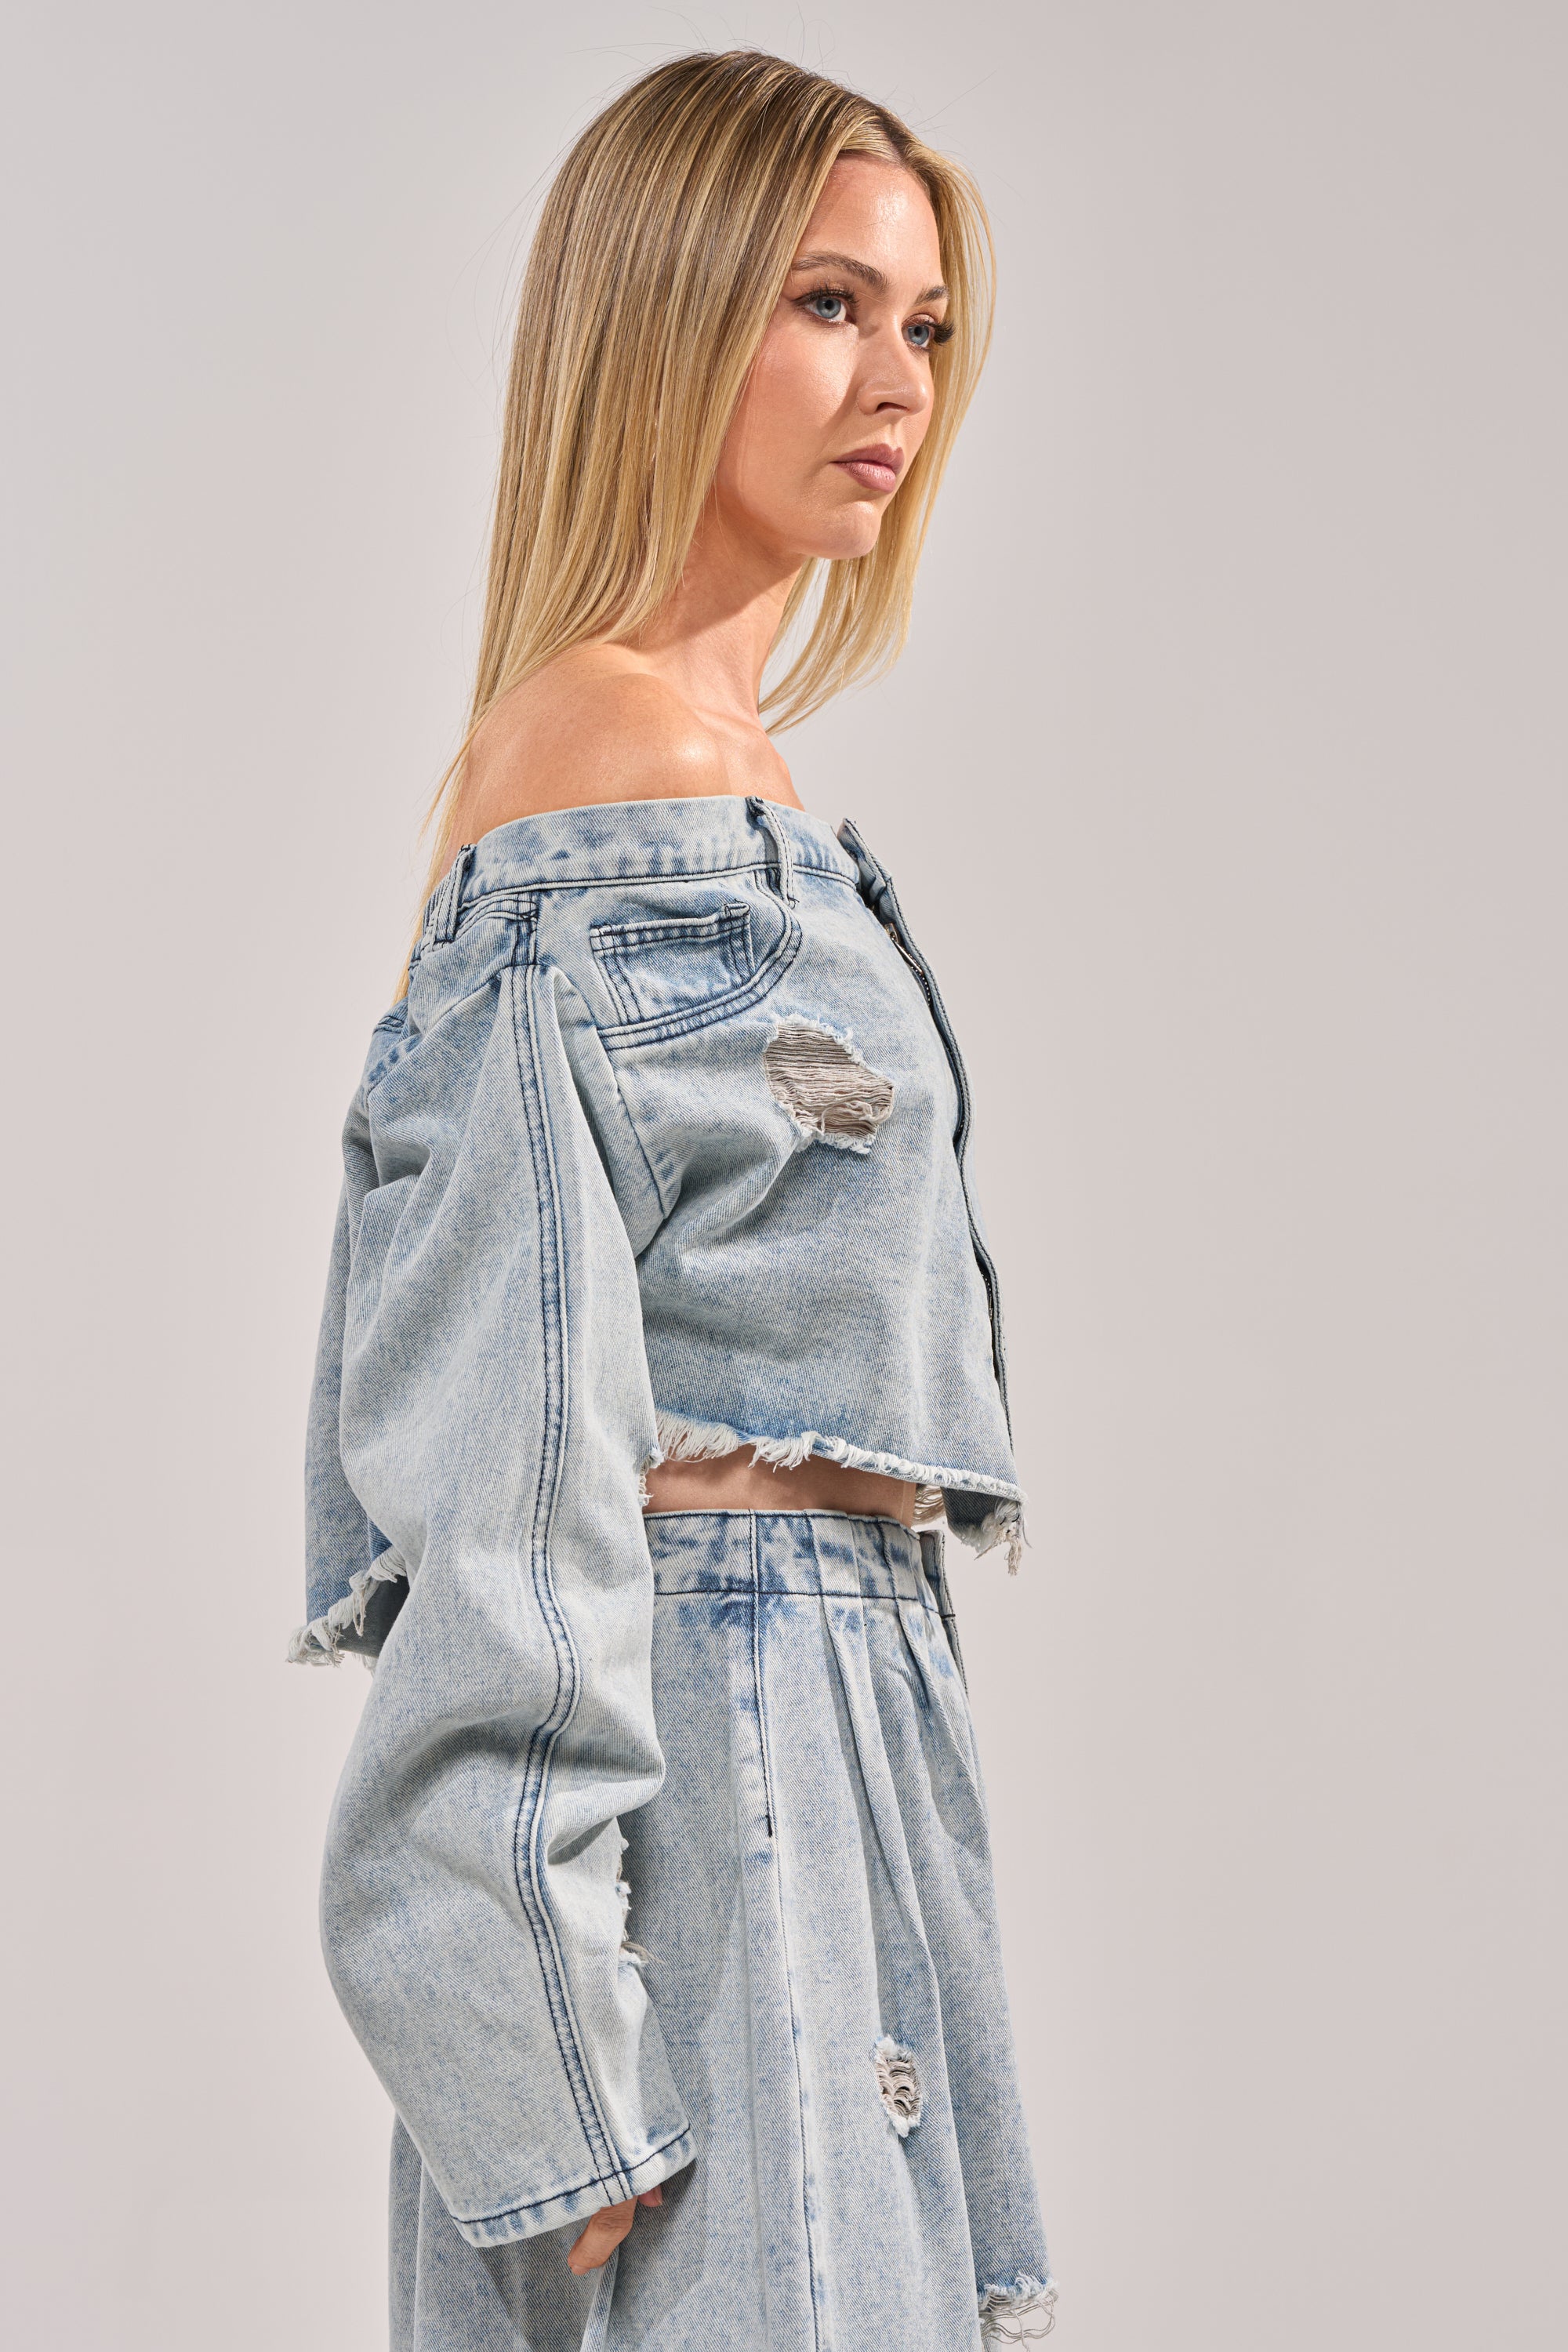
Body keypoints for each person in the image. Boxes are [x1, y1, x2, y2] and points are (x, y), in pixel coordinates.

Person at [292, 48, 1056, 2352]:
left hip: (821, 1731)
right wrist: (539, 2051)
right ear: (669, 313)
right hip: (721, 1765)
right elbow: (497, 1432)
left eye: (923, 324)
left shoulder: (730, 790)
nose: (894, 382)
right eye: (826, 302)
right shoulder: (622, 780)